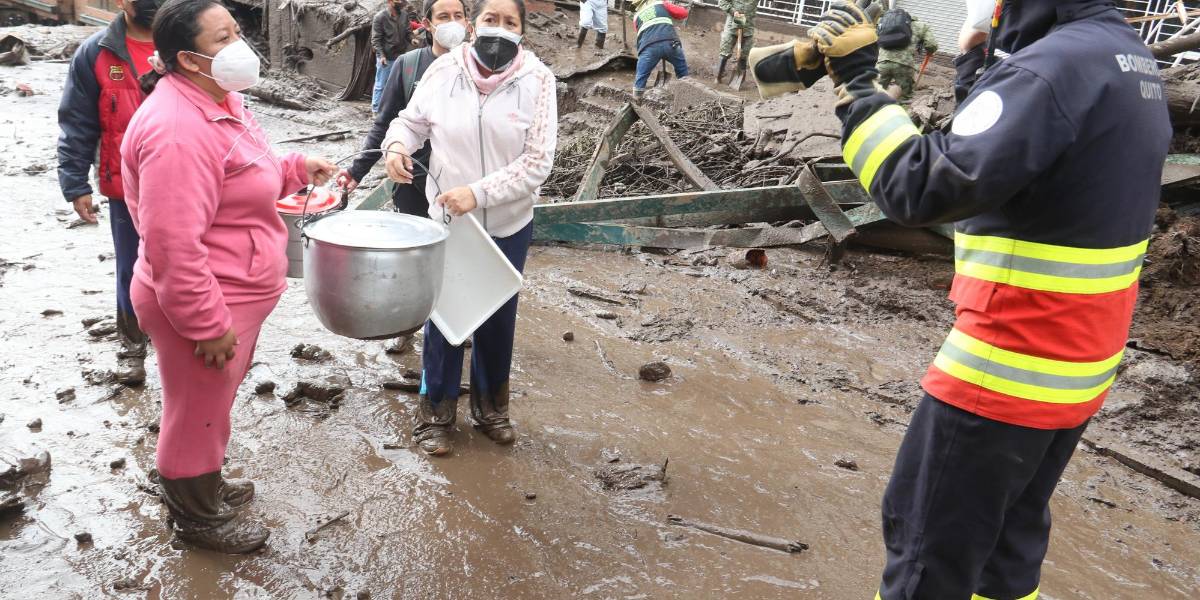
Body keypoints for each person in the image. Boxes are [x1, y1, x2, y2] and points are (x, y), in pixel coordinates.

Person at [752, 0, 1171, 598]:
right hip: (1073, 371)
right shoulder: (1125, 60)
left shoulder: (1049, 71)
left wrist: (858, 87)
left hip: (1004, 372)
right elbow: (1014, 150)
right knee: (1004, 554)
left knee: (928, 558)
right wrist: (978, 54)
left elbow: (919, 186)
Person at [121, 0, 340, 553]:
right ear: (188, 60)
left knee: (206, 406)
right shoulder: (177, 130)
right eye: (223, 39)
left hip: (234, 287)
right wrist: (206, 323)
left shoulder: (221, 100)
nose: (239, 46)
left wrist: (292, 167)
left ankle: (200, 483)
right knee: (196, 412)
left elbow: (241, 168)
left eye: (236, 32)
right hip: (206, 298)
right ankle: (196, 518)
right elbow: (172, 245)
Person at [382, 0, 557, 456]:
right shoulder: (443, 73)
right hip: (448, 222)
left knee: (498, 317)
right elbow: (410, 121)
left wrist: (478, 193)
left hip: (507, 221)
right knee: (445, 317)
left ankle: (491, 410)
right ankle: (435, 415)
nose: (499, 29)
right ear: (473, 25)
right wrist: (397, 146)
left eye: (510, 22)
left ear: (524, 31)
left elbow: (537, 162)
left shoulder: (538, 80)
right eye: (490, 19)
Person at [56, 0, 161, 387]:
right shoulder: (96, 53)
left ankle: (190, 343)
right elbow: (77, 120)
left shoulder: (187, 42)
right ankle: (133, 347)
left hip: (188, 184)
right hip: (126, 189)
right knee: (132, 268)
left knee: (195, 263)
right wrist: (75, 182)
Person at [631, 0, 690, 102]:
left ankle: (636, 103)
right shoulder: (661, 3)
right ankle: (686, 98)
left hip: (648, 48)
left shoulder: (636, 17)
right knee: (682, 71)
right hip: (670, 43)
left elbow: (640, 33)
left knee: (640, 78)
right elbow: (683, 13)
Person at [874, 8, 938, 101]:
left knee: (875, 93)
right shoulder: (921, 26)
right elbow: (932, 44)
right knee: (904, 98)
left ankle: (871, 113)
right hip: (905, 65)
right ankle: (898, 113)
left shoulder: (884, 21)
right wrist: (930, 51)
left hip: (882, 62)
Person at [371, 0, 415, 113]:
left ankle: (392, 109)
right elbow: (376, 40)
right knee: (381, 84)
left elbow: (408, 31)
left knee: (398, 84)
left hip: (400, 56)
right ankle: (376, 110)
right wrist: (381, 56)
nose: (401, 2)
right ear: (390, 1)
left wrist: (412, 39)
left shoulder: (404, 15)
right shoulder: (380, 17)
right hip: (386, 56)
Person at [714, 0, 755, 84]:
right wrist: (733, 11)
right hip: (732, 24)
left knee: (745, 52)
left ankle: (739, 78)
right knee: (725, 49)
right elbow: (722, 2)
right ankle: (718, 76)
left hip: (748, 26)